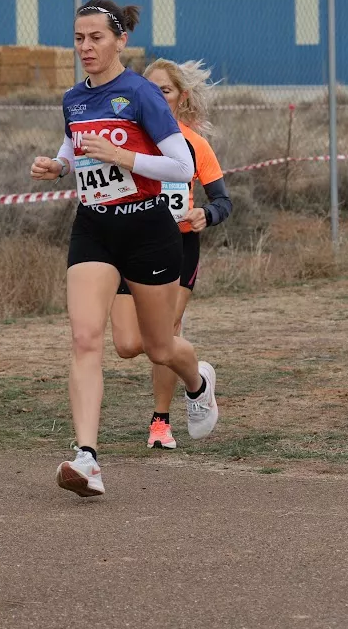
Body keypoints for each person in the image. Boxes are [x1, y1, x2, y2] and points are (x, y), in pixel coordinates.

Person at [30, 0, 218, 498]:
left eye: (96, 37)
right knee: (85, 339)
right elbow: (74, 149)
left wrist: (123, 156)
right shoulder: (73, 99)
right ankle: (87, 457)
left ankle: (197, 381)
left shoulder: (140, 94)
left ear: (120, 40)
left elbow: (181, 167)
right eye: (79, 38)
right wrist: (58, 166)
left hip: (147, 228)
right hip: (94, 228)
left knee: (157, 347)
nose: (86, 47)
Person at [109, 59, 232, 450]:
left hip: (178, 245)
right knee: (128, 344)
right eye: (151, 90)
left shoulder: (194, 144)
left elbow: (223, 201)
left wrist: (206, 214)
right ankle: (198, 379)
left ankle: (160, 423)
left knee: (165, 332)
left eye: (165, 90)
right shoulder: (125, 138)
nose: (157, 97)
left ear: (182, 97)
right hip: (131, 241)